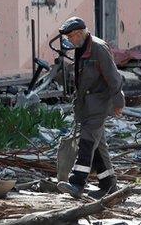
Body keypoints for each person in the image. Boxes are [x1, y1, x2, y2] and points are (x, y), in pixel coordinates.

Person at [56, 17, 125, 199]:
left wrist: (119, 102)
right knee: (98, 145)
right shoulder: (81, 48)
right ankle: (108, 184)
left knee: (86, 142)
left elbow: (113, 77)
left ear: (80, 33)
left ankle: (77, 183)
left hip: (99, 104)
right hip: (86, 104)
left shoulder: (98, 48)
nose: (69, 40)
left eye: (71, 36)